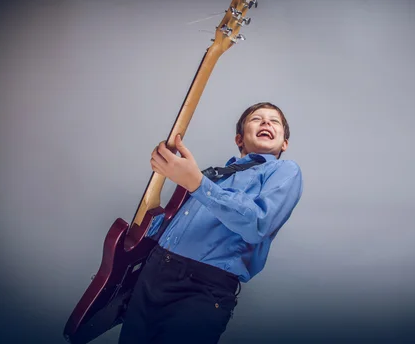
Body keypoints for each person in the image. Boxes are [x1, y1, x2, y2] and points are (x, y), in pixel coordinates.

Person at [118, 102, 304, 344]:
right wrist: (146, 227)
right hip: (153, 273)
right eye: (256, 119)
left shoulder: (285, 171)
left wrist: (196, 183)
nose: (266, 122)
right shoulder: (213, 175)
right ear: (239, 139)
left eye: (274, 121)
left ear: (285, 143)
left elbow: (259, 223)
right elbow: (176, 222)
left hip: (203, 286)